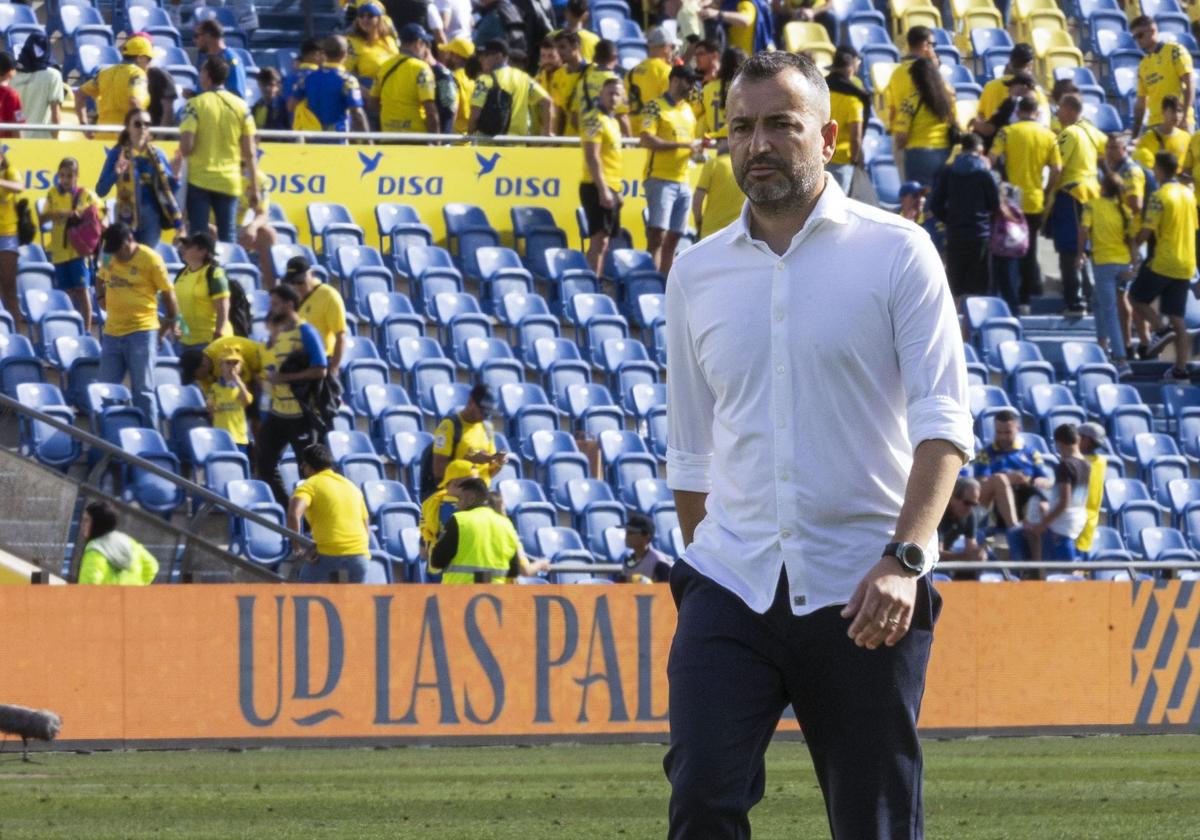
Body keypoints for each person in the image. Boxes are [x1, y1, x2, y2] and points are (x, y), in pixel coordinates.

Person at [663, 51, 972, 838]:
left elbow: (944, 425)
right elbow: (692, 451)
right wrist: (708, 570)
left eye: (779, 125)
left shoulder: (898, 251)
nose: (756, 145)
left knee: (873, 822)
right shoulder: (695, 274)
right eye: (739, 128)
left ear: (827, 137)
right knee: (701, 796)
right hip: (732, 582)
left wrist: (905, 561)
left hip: (866, 589)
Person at [96, 223, 177, 429]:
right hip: (112, 332)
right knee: (106, 389)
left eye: (120, 251)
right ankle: (110, 439)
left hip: (141, 332)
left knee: (142, 390)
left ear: (129, 240)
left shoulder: (151, 259)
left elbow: (169, 296)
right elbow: (99, 277)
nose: (118, 257)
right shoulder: (109, 255)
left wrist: (165, 328)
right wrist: (100, 296)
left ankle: (151, 442)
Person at [257, 284, 328, 505]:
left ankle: (310, 519)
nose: (271, 307)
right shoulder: (274, 335)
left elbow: (320, 369)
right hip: (277, 412)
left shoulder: (305, 331)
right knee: (264, 464)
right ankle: (287, 511)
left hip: (301, 413)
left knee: (308, 470)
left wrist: (285, 378)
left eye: (275, 303)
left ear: (289, 304)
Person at [1131, 150, 1198, 381]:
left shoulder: (1159, 196)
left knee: (1136, 297)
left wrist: (1133, 243)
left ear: (1158, 169)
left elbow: (1147, 229)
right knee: (1178, 318)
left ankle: (1160, 329)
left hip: (1163, 261)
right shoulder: (1188, 195)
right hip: (1186, 263)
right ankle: (1180, 369)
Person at [990, 95, 1061, 307]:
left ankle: (1013, 295)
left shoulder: (1006, 132)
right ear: (1037, 112)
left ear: (1018, 111)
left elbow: (991, 160)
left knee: (1009, 247)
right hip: (1035, 198)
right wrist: (1048, 190)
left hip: (1012, 200)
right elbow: (1057, 169)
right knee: (1029, 247)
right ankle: (1028, 294)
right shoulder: (1049, 136)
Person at [180, 57, 260, 243]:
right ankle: (227, 271)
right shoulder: (241, 106)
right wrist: (255, 186)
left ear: (207, 76)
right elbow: (250, 152)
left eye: (202, 72)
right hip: (229, 180)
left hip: (200, 179)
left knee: (198, 238)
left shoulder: (195, 105)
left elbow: (186, 147)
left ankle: (200, 272)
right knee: (228, 236)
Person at [641, 65, 701, 276]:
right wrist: (683, 147)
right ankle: (649, 278)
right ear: (674, 80)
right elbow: (646, 139)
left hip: (683, 179)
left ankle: (665, 281)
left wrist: (695, 152)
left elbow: (690, 144)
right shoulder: (654, 106)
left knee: (675, 235)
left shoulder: (688, 111)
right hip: (659, 178)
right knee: (658, 233)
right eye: (688, 81)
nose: (692, 86)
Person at [429, 477, 549, 582]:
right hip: (494, 598)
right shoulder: (506, 524)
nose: (457, 504)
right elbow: (514, 570)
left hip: (460, 596)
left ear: (471, 499)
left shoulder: (459, 520)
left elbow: (437, 561)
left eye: (460, 499)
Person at [929, 132, 1000, 306]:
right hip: (979, 233)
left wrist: (949, 219)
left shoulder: (948, 171)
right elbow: (995, 203)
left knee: (956, 286)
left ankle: (957, 328)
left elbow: (935, 203)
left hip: (955, 234)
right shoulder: (984, 173)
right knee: (978, 287)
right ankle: (973, 327)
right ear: (980, 150)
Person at [96, 110, 181, 249]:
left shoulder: (157, 155)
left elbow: (169, 191)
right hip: (126, 217)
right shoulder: (117, 153)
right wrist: (115, 174)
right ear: (128, 127)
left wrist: (176, 177)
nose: (142, 128)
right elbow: (100, 190)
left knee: (147, 259)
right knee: (125, 260)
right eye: (137, 124)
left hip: (152, 218)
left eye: (147, 124)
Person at [1079, 171, 1137, 378]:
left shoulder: (1092, 205)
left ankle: (1121, 359)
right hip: (1123, 264)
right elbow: (1132, 239)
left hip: (1104, 264)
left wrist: (1080, 253)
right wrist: (1134, 264)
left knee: (1111, 311)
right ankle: (1102, 344)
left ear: (1102, 186)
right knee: (1097, 302)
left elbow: (1084, 230)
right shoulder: (1124, 210)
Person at [1008, 423, 1090, 566]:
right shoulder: (1086, 464)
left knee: (1062, 570)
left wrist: (1043, 524)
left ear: (1059, 443)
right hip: (1078, 518)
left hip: (1062, 523)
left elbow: (1064, 501)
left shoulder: (1065, 465)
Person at [288, 444, 372, 583]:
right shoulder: (350, 485)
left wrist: (298, 549)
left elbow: (293, 514)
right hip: (360, 556)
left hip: (329, 553)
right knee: (347, 602)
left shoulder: (310, 485)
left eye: (303, 464)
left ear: (308, 466)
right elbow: (365, 523)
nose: (302, 468)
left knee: (302, 595)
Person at [1052, 94, 1106, 314]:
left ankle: (1075, 301)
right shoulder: (1093, 131)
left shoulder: (1070, 133)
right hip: (1093, 194)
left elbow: (1058, 167)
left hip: (1073, 194)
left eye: (1060, 108)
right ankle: (1090, 297)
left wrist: (1049, 193)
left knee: (1070, 247)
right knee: (1084, 247)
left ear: (1069, 109)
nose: (1057, 113)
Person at [41, 157, 99, 332]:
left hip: (78, 252)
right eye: (62, 176)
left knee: (82, 291)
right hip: (59, 252)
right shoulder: (52, 194)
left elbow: (95, 212)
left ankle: (87, 331)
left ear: (77, 176)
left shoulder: (85, 194)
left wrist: (72, 213)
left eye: (69, 176)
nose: (65, 180)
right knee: (66, 294)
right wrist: (59, 213)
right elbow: (43, 217)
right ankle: (70, 330)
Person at [973, 409, 1051, 529]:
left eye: (1008, 432)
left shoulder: (1032, 453)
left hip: (1026, 500)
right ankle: (1014, 530)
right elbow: (981, 485)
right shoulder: (985, 454)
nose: (1003, 437)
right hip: (995, 505)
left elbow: (1045, 479)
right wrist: (1007, 479)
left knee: (1044, 502)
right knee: (999, 479)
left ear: (1018, 429)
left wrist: (1040, 481)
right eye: (999, 432)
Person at [580, 77, 626, 275]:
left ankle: (595, 280)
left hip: (611, 186)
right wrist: (603, 189)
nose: (614, 98)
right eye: (610, 93)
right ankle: (592, 285)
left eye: (617, 94)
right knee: (599, 240)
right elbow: (592, 157)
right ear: (601, 95)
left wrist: (617, 190)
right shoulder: (594, 119)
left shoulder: (613, 121)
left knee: (605, 241)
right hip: (595, 185)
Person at [892, 56, 957, 187]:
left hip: (918, 155)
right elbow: (954, 123)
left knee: (918, 198)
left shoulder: (910, 102)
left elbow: (901, 137)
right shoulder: (948, 100)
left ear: (916, 80)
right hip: (944, 153)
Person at [429, 383, 507, 489]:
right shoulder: (449, 425)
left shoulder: (487, 427)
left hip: (482, 493)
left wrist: (498, 463)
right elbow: (438, 470)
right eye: (483, 411)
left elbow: (489, 473)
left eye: (489, 413)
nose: (486, 416)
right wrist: (470, 461)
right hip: (460, 495)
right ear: (471, 402)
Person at [280, 256, 347, 379]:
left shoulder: (328, 296)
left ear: (311, 275)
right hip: (295, 363)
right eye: (292, 282)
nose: (296, 286)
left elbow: (340, 335)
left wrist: (333, 369)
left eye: (300, 282)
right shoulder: (289, 297)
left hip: (320, 363)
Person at [468, 40, 552, 136]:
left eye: (486, 55)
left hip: (489, 145)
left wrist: (469, 136)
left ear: (498, 56)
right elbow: (547, 101)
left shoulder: (483, 80)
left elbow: (475, 115)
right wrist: (546, 132)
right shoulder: (524, 77)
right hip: (518, 145)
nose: (481, 60)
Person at [293, 36, 370, 139]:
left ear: (324, 53)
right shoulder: (348, 80)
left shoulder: (307, 78)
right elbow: (357, 114)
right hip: (338, 139)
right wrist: (369, 141)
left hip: (313, 139)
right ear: (345, 54)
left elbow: (292, 104)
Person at [75, 33, 151, 137]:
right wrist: (142, 131)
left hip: (102, 135)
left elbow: (79, 94)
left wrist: (84, 127)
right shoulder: (137, 74)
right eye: (149, 59)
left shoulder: (104, 73)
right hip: (125, 137)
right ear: (140, 58)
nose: (150, 64)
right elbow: (134, 101)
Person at [1131, 15, 1194, 137]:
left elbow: (1189, 84)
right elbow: (1140, 104)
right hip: (1154, 124)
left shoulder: (1175, 51)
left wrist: (1184, 117)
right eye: (1134, 37)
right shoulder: (1143, 65)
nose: (1137, 40)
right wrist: (1135, 135)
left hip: (1177, 120)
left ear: (1152, 31)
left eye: (1140, 35)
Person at [972, 44, 1050, 140]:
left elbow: (981, 115)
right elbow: (1045, 124)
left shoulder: (990, 86)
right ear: (1031, 65)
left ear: (1010, 63)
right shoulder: (1034, 90)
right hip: (1025, 141)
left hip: (995, 142)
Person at [372, 22, 439, 134]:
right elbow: (430, 110)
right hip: (416, 138)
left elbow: (372, 102)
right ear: (418, 43)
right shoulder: (421, 68)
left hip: (389, 135)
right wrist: (436, 140)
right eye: (425, 44)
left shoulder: (384, 66)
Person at [76, 501, 159, 585]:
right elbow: (152, 565)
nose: (83, 524)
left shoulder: (95, 549)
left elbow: (89, 584)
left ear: (97, 523)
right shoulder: (126, 540)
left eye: (87, 520)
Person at [173, 231, 232, 351]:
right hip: (186, 342)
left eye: (188, 246)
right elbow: (178, 306)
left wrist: (219, 333)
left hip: (210, 341)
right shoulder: (181, 274)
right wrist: (178, 326)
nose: (183, 248)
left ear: (202, 251)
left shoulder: (214, 274)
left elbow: (222, 307)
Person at [824, 46, 867, 193]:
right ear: (850, 69)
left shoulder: (821, 92)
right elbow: (856, 138)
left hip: (820, 155)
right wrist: (856, 159)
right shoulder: (853, 101)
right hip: (842, 161)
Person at [419, 458, 479, 555]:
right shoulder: (463, 507)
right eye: (474, 484)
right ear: (456, 484)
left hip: (435, 566)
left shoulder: (430, 503)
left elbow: (423, 552)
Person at [12, 31, 63, 139]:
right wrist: (55, 139)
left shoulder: (11, 74)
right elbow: (56, 115)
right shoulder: (53, 76)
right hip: (41, 142)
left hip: (14, 140)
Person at [627, 26, 676, 137]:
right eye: (672, 47)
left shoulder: (631, 72)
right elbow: (670, 105)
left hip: (633, 133)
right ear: (666, 47)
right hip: (655, 134)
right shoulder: (666, 71)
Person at [884, 25, 934, 131]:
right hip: (925, 132)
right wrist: (935, 65)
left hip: (901, 131)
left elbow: (891, 109)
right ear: (925, 45)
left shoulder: (896, 73)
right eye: (932, 44)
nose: (933, 48)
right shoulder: (928, 72)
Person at [936, 477, 988, 575]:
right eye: (967, 503)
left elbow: (971, 547)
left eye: (974, 504)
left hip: (946, 556)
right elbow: (937, 554)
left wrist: (978, 553)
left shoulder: (970, 514)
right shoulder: (939, 514)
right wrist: (964, 556)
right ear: (952, 497)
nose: (970, 508)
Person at [346, 1, 400, 95]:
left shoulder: (389, 40)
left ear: (379, 19)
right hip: (369, 95)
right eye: (361, 16)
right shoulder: (352, 42)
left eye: (370, 16)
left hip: (393, 91)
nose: (365, 19)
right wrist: (365, 93)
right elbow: (345, 73)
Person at [205, 349, 253, 454]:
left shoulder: (242, 387)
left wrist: (239, 382)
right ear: (221, 366)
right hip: (221, 436)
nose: (232, 366)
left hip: (239, 437)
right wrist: (212, 408)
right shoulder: (215, 387)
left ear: (240, 367)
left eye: (236, 363)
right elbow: (210, 410)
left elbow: (247, 400)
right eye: (228, 363)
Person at [692, 142, 742, 239]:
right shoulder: (745, 165)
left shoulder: (713, 164)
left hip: (710, 233)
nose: (716, 146)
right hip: (738, 233)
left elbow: (697, 202)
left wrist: (699, 224)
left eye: (719, 141)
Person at [1074, 421, 1109, 555]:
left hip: (1076, 522)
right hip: (1090, 522)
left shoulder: (1076, 463)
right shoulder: (1101, 461)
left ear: (1084, 440)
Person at [694, 47, 745, 140]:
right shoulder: (747, 88)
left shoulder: (707, 88)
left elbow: (696, 114)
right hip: (740, 141)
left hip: (715, 144)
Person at [193, 19, 247, 100]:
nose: (194, 40)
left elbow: (237, 95)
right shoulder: (205, 59)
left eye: (197, 36)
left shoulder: (231, 60)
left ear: (208, 35)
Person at [1133, 95, 1189, 173]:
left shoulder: (1186, 137)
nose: (1177, 115)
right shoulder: (1148, 138)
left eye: (1179, 111)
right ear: (1163, 111)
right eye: (1172, 111)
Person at [700, 0, 774, 55]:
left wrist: (718, 14)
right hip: (732, 59)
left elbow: (745, 20)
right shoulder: (728, 4)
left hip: (747, 60)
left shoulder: (745, 2)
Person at [618, 513, 672, 582]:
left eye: (631, 533)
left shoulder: (659, 561)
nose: (627, 536)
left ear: (646, 537)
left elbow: (667, 589)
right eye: (627, 532)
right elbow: (621, 588)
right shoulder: (629, 560)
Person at [283, 38, 323, 132]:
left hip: (295, 128)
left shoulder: (289, 77)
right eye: (322, 53)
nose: (324, 57)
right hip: (316, 129)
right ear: (314, 54)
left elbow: (288, 106)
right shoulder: (318, 77)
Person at [439, 36, 475, 134]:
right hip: (471, 139)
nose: (446, 57)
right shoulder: (475, 78)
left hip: (455, 139)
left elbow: (452, 110)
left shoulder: (453, 78)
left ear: (456, 56)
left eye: (449, 53)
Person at [0, 145, 19, 330]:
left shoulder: (9, 172)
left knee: (9, 287)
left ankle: (16, 333)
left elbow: (19, 187)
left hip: (7, 235)